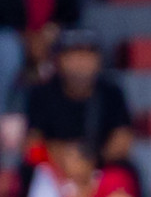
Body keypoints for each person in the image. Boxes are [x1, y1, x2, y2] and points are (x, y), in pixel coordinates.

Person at [25, 29, 132, 165]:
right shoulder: (41, 94)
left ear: (99, 60)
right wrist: (67, 158)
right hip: (56, 169)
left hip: (100, 167)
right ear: (58, 59)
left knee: (124, 174)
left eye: (88, 54)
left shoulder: (112, 93)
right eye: (73, 54)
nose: (81, 62)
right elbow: (32, 145)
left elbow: (123, 140)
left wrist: (89, 162)